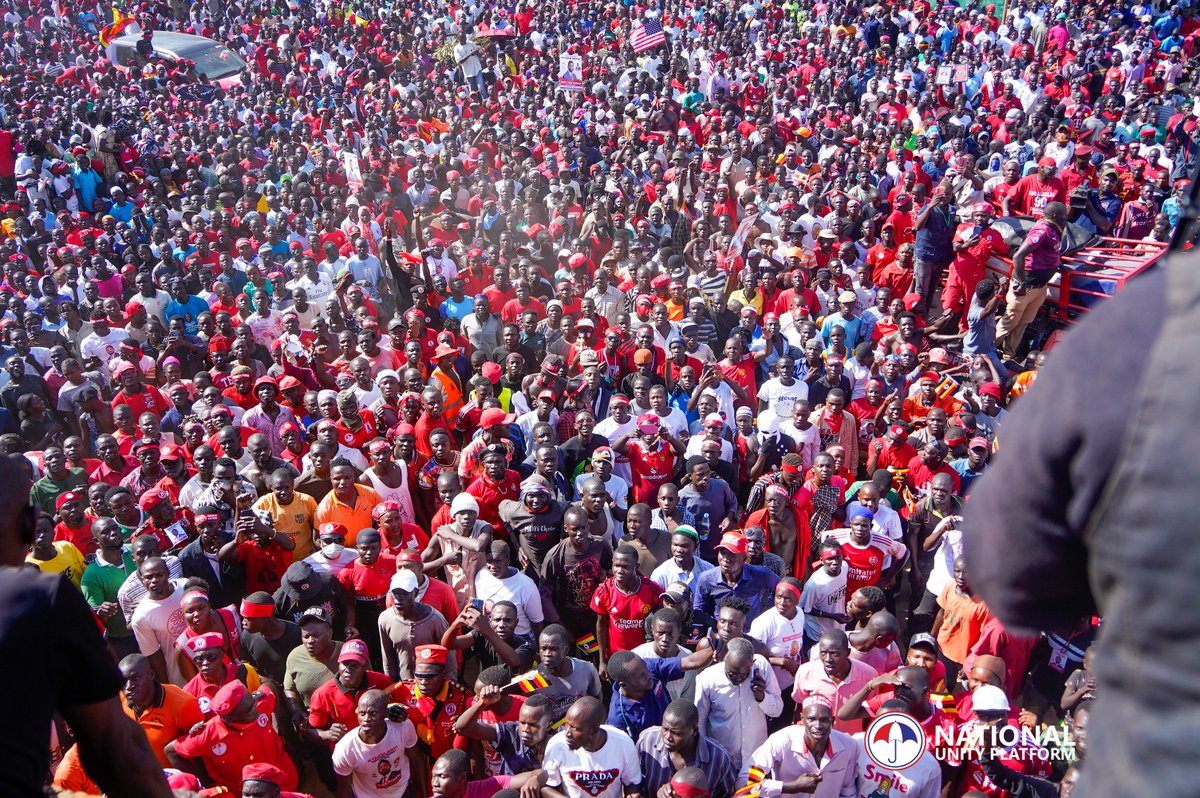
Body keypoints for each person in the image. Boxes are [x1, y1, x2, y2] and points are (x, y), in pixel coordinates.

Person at [166, 680, 299, 793]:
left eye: (253, 700)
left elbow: (269, 685)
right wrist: (204, 783)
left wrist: (277, 724)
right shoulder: (207, 735)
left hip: (284, 785)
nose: (256, 709)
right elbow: (171, 751)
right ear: (228, 718)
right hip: (245, 794)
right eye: (249, 710)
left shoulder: (260, 702)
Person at [741, 697, 858, 798]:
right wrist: (792, 786)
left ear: (832, 721)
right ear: (802, 719)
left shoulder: (847, 745)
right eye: (811, 719)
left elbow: (848, 791)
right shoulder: (781, 741)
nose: (818, 726)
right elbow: (745, 783)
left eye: (824, 720)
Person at [694, 637, 783, 769]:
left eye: (743, 674)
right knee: (725, 790)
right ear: (724, 660)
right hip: (722, 760)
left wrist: (763, 698)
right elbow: (699, 721)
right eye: (732, 673)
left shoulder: (762, 667)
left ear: (752, 663)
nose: (738, 678)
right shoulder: (707, 679)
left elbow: (778, 710)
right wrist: (703, 754)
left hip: (756, 759)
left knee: (755, 790)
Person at [331, 688, 426, 798]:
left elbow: (417, 761)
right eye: (362, 713)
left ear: (386, 713)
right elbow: (344, 790)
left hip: (403, 792)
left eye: (373, 713)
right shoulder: (345, 749)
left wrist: (424, 795)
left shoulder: (402, 727)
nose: (366, 719)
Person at [543, 696, 643, 798]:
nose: (567, 733)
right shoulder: (557, 744)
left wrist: (632, 795)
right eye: (566, 724)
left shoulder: (623, 743)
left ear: (594, 730)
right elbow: (547, 787)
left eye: (574, 728)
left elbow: (633, 783)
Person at [635, 699, 737, 798]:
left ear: (694, 730)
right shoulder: (647, 742)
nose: (667, 737)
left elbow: (729, 794)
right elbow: (633, 784)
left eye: (676, 733)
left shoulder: (720, 759)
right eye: (665, 729)